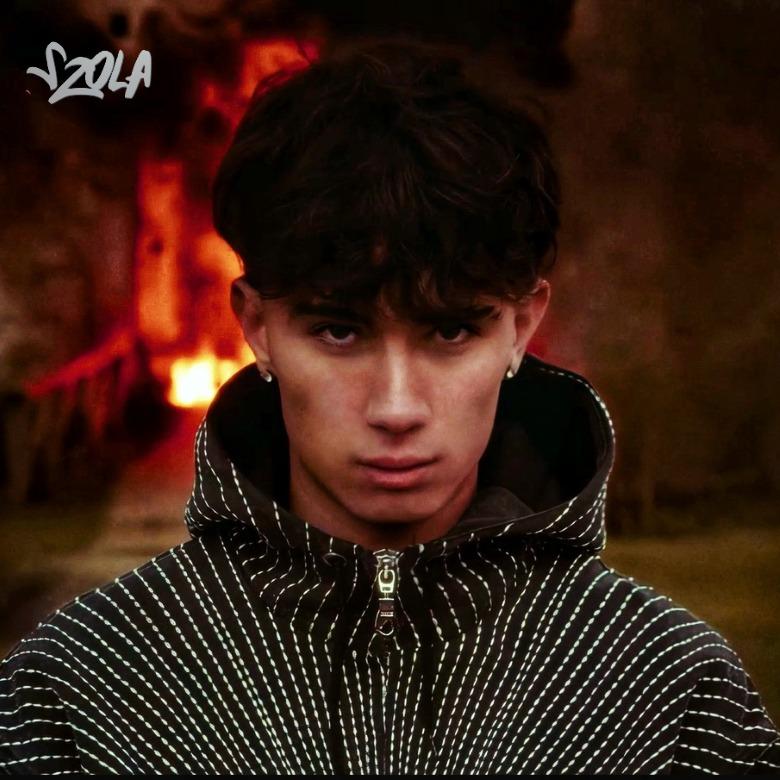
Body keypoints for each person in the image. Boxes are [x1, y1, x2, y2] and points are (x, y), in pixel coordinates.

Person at [1, 40, 778, 776]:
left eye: (451, 331)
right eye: (339, 331)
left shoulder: (669, 693)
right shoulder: (80, 691)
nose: (397, 407)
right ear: (257, 328)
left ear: (521, 328)